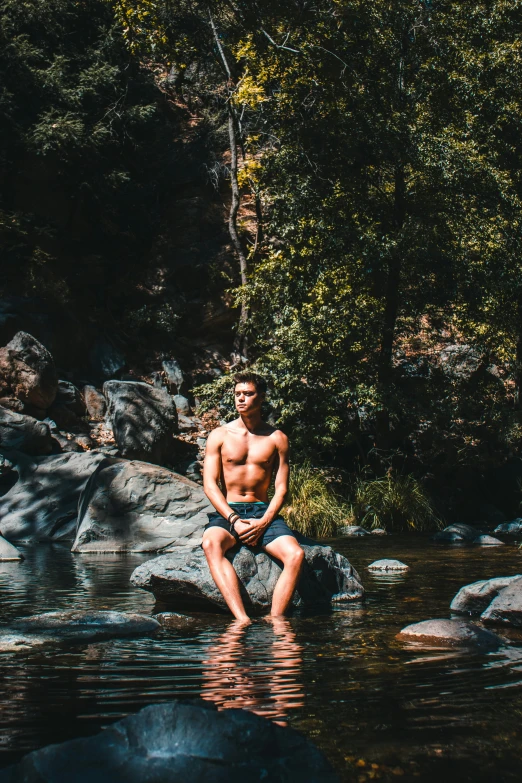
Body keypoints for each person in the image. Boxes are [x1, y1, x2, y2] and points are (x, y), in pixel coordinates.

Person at [202, 372, 304, 622]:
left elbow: (281, 489)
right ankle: (241, 619)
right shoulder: (220, 435)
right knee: (211, 544)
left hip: (262, 510)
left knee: (296, 555)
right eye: (237, 394)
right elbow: (209, 485)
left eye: (247, 394)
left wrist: (264, 522)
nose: (241, 399)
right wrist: (234, 519)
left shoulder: (277, 438)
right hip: (229, 511)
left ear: (261, 397)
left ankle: (276, 620)